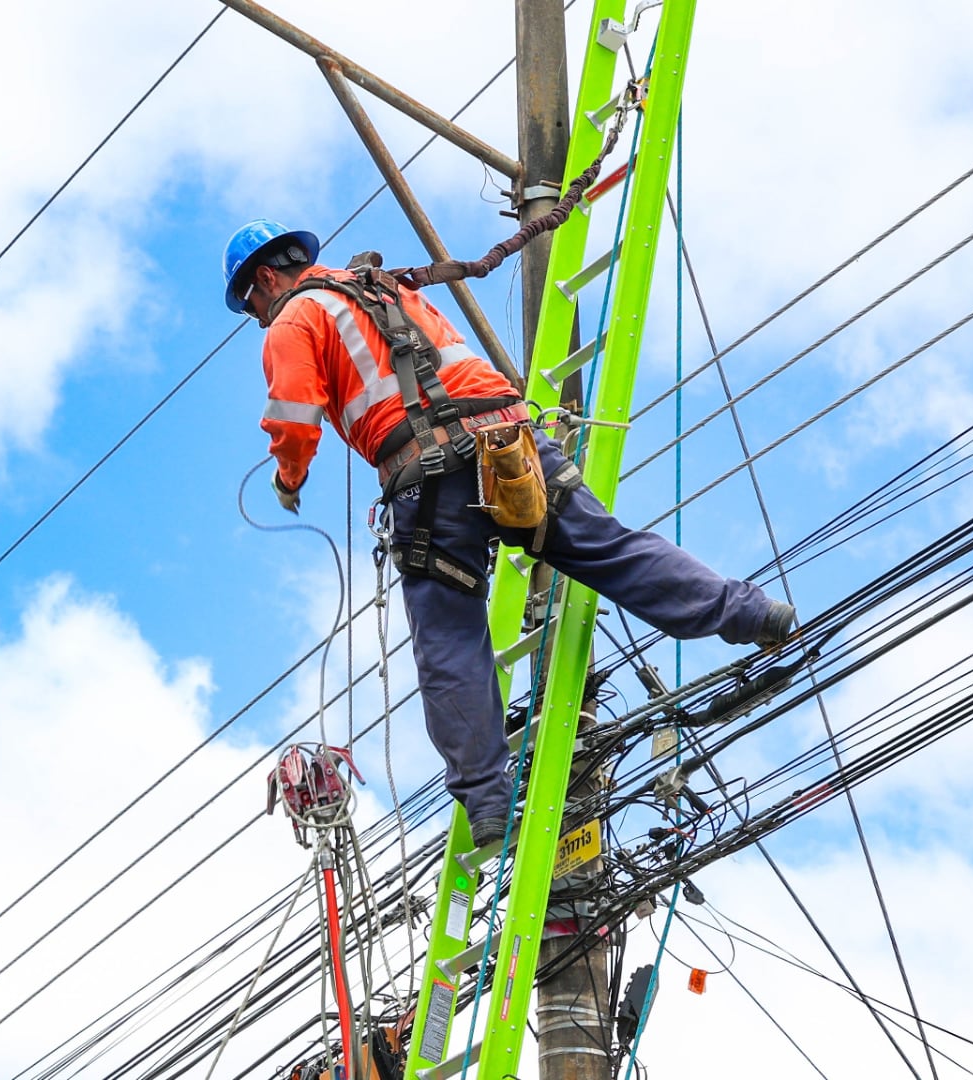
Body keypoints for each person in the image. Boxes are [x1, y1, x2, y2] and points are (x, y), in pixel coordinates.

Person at [224, 219, 794, 847]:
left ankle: (488, 808)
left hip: (428, 474)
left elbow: (295, 415)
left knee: (449, 640)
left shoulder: (291, 318)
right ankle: (753, 614)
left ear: (265, 277)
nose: (256, 315)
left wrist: (289, 479)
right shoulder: (386, 289)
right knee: (611, 549)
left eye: (251, 301)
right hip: (510, 443)